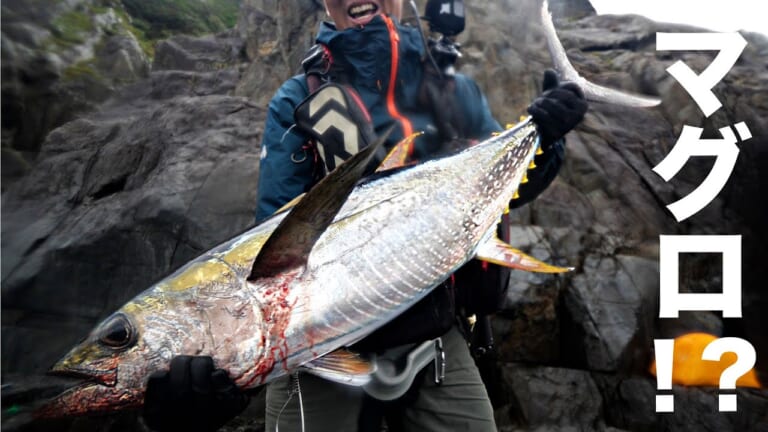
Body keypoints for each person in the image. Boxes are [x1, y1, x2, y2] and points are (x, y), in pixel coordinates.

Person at [142, 1, 587, 431]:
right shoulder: (300, 97)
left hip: (435, 337)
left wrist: (547, 137)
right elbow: (273, 243)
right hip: (318, 350)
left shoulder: (455, 89)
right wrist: (230, 369)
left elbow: (505, 189)